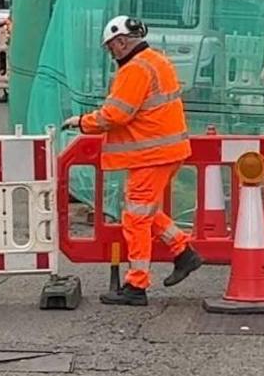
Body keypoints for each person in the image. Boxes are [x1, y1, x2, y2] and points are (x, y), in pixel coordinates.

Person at [63, 15, 202, 306]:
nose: (111, 52)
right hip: (164, 151)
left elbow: (115, 115)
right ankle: (183, 252)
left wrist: (82, 122)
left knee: (136, 217)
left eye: (111, 47)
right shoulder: (156, 60)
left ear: (121, 41)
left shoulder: (134, 70)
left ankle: (136, 286)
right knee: (143, 211)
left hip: (152, 154)